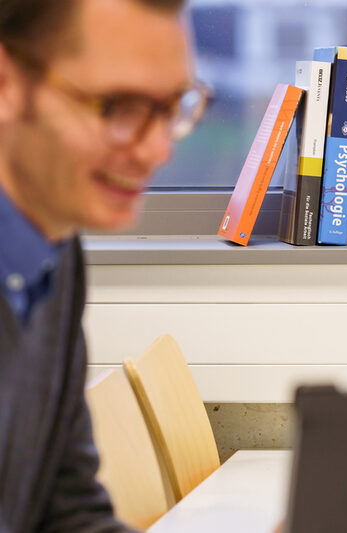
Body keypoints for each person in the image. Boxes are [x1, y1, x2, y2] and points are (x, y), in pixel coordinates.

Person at [0, 0, 208, 530]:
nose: (158, 150)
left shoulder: (54, 253)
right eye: (118, 107)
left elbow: (64, 512)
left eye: (172, 107)